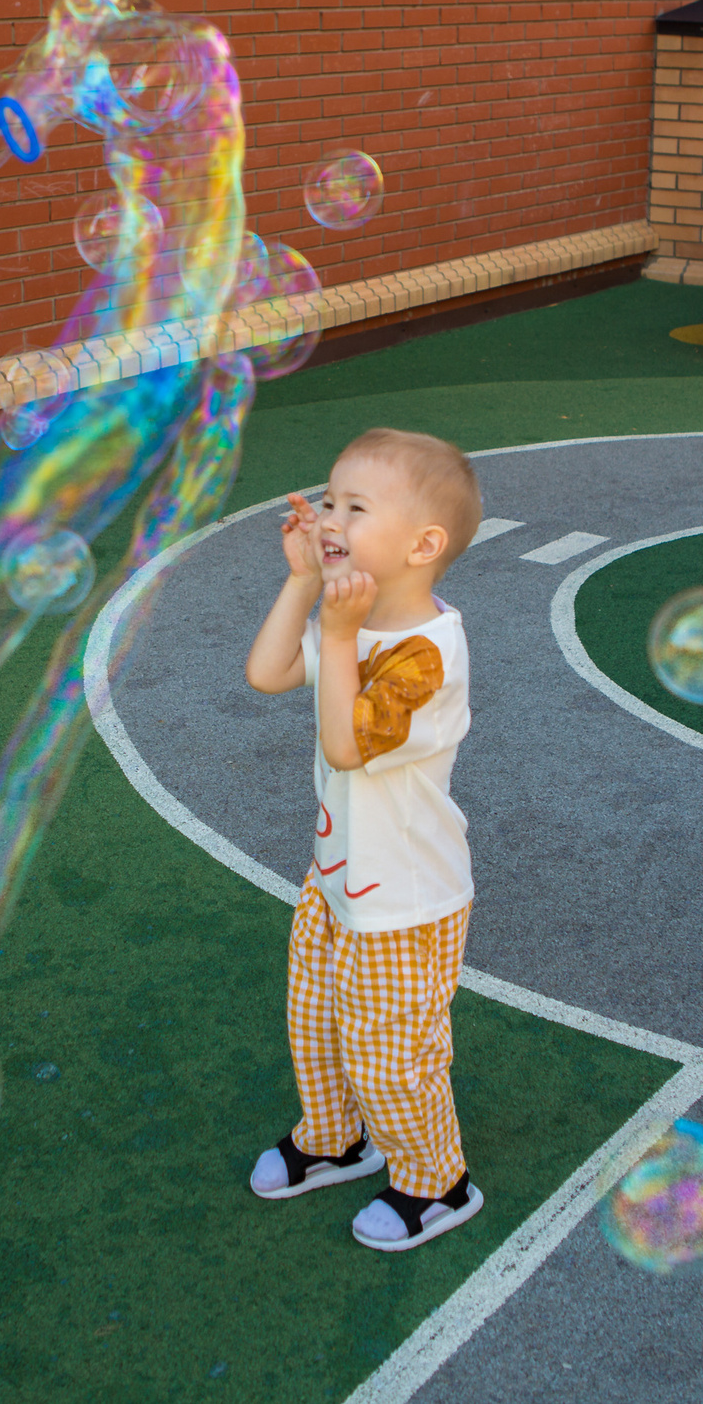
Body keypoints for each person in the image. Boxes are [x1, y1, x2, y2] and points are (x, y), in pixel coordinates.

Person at [242, 428, 485, 1252]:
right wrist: (301, 583)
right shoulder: (362, 618)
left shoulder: (425, 655)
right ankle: (335, 1136)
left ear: (424, 544)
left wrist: (338, 634)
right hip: (336, 877)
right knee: (314, 1021)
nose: (332, 515)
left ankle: (435, 1180)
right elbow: (269, 673)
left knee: (391, 1052)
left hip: (406, 902)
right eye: (331, 499)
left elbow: (347, 743)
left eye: (356, 506)